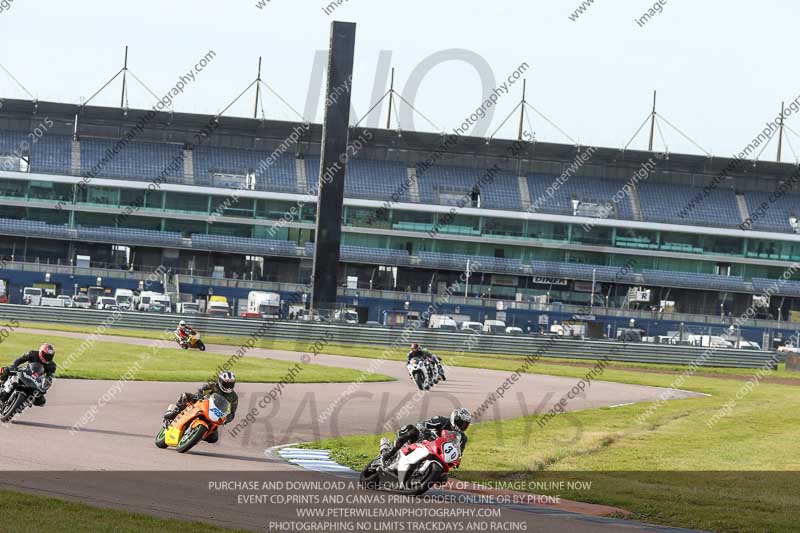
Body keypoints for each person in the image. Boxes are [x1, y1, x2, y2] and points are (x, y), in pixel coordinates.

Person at [162, 371, 238, 444]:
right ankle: (173, 413)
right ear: (220, 381)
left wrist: (226, 419)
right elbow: (200, 393)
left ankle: (196, 435)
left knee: (213, 438)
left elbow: (232, 412)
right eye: (226, 384)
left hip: (214, 415)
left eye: (230, 384)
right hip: (202, 405)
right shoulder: (212, 386)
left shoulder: (234, 397)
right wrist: (198, 397)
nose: (228, 386)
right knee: (185, 396)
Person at [380, 408, 471, 464]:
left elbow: (459, 454)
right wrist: (425, 429)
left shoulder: (462, 438)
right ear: (454, 418)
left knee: (443, 477)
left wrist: (456, 461)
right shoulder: (441, 420)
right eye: (460, 423)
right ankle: (390, 452)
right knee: (411, 429)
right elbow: (422, 424)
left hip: (438, 453)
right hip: (423, 441)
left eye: (465, 425)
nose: (462, 426)